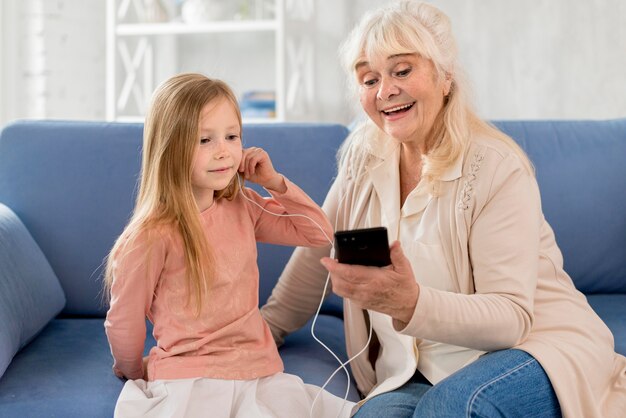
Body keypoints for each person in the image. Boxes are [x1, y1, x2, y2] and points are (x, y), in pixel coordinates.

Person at [260, 1, 626, 417]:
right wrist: (263, 330)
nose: (385, 91)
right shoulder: (362, 161)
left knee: (452, 406)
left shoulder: (495, 166)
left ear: (445, 76)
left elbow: (511, 318)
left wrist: (409, 303)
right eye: (369, 78)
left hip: (533, 347)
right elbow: (317, 257)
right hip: (411, 373)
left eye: (402, 71)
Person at [104, 73, 355, 418]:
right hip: (189, 382)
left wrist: (274, 182)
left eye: (232, 136)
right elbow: (124, 319)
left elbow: (317, 233)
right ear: (170, 148)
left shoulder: (244, 205)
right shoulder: (151, 235)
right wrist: (131, 369)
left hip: (259, 373)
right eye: (204, 140)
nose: (223, 151)